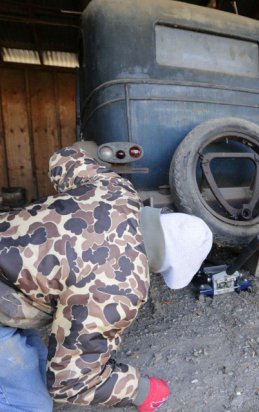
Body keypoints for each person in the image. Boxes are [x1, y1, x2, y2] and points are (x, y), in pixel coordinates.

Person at [0, 145, 213, 411]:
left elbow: (63, 159)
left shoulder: (115, 188)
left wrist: (93, 154)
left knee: (39, 361)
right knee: (30, 405)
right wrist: (140, 390)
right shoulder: (122, 287)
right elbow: (71, 382)